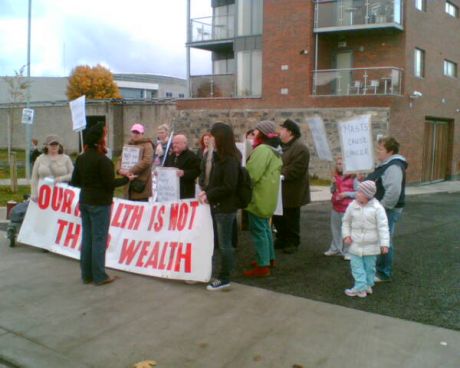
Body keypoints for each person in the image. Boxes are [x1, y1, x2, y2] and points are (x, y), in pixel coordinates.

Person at [70, 122, 135, 286]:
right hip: (100, 204)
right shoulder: (103, 160)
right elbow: (110, 184)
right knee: (99, 239)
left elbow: (75, 181)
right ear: (101, 141)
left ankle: (87, 275)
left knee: (87, 238)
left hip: (85, 201)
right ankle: (99, 276)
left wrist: (90, 184)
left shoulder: (81, 158)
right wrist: (127, 179)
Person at [198, 122, 241, 291]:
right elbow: (215, 181)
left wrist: (209, 194)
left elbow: (229, 186)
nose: (210, 139)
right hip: (217, 205)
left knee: (225, 244)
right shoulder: (219, 157)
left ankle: (225, 277)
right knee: (219, 243)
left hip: (225, 207)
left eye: (213, 136)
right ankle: (220, 272)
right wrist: (206, 191)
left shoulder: (230, 159)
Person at [366, 136, 408, 282]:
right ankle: (379, 268)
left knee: (384, 240)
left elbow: (393, 192)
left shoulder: (393, 166)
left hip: (388, 210)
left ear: (390, 151)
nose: (378, 151)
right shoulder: (387, 164)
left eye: (381, 148)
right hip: (384, 209)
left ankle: (383, 272)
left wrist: (381, 208)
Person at [244, 120, 282, 277]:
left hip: (258, 197)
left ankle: (262, 265)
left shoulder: (262, 151)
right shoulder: (275, 151)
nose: (253, 135)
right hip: (268, 197)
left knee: (259, 231)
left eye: (255, 132)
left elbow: (251, 175)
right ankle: (268, 258)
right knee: (265, 229)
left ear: (261, 134)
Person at [342, 181, 390, 298]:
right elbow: (346, 221)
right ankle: (360, 287)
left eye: (359, 192)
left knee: (370, 268)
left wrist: (384, 244)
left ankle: (367, 285)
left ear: (367, 195)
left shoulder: (377, 208)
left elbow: (383, 227)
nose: (356, 194)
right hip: (355, 244)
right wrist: (346, 235)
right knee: (356, 267)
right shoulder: (352, 205)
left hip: (371, 245)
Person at [272, 119, 310, 254]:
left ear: (290, 132)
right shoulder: (280, 147)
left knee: (291, 217)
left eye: (282, 129)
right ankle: (281, 238)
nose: (279, 131)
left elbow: (295, 170)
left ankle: (292, 242)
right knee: (279, 217)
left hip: (293, 191)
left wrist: (275, 172)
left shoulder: (301, 149)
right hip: (280, 190)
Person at [324, 157, 360, 260]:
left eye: (341, 164)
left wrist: (346, 194)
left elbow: (359, 192)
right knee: (335, 229)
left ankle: (348, 251)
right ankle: (335, 248)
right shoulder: (335, 177)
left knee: (347, 230)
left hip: (347, 208)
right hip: (336, 207)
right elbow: (332, 191)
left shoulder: (354, 178)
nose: (339, 165)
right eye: (338, 164)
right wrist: (333, 184)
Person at [31, 135, 74, 202]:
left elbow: (73, 174)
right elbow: (34, 178)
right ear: (46, 146)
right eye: (51, 144)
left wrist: (61, 178)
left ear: (59, 145)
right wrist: (34, 192)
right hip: (43, 195)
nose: (54, 146)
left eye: (56, 144)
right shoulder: (39, 159)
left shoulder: (66, 159)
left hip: (61, 195)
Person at [118, 123, 154, 201]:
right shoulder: (128, 144)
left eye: (137, 132)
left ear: (142, 133)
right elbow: (121, 159)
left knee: (141, 209)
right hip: (128, 184)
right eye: (134, 132)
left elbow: (147, 161)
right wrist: (119, 170)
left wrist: (129, 171)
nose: (135, 134)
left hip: (141, 183)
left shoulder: (148, 145)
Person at [164, 134, 201, 199]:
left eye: (177, 143)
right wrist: (159, 173)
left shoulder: (191, 156)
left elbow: (197, 171)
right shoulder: (171, 156)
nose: (174, 145)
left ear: (185, 144)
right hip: (170, 192)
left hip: (185, 192)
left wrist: (184, 173)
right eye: (173, 143)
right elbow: (165, 168)